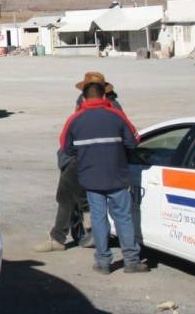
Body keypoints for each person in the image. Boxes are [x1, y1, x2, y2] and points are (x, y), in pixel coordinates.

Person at [60, 80, 149, 274]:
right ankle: (131, 261)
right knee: (124, 218)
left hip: (91, 179)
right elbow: (134, 141)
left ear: (84, 98)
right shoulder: (117, 116)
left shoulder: (74, 120)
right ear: (104, 96)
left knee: (99, 219)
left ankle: (103, 262)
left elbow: (66, 147)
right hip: (117, 177)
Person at [34, 72, 121, 253]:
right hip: (102, 158)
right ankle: (85, 227)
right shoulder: (114, 106)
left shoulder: (97, 106)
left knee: (65, 195)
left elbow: (69, 137)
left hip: (83, 158)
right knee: (73, 195)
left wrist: (68, 156)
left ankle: (63, 236)